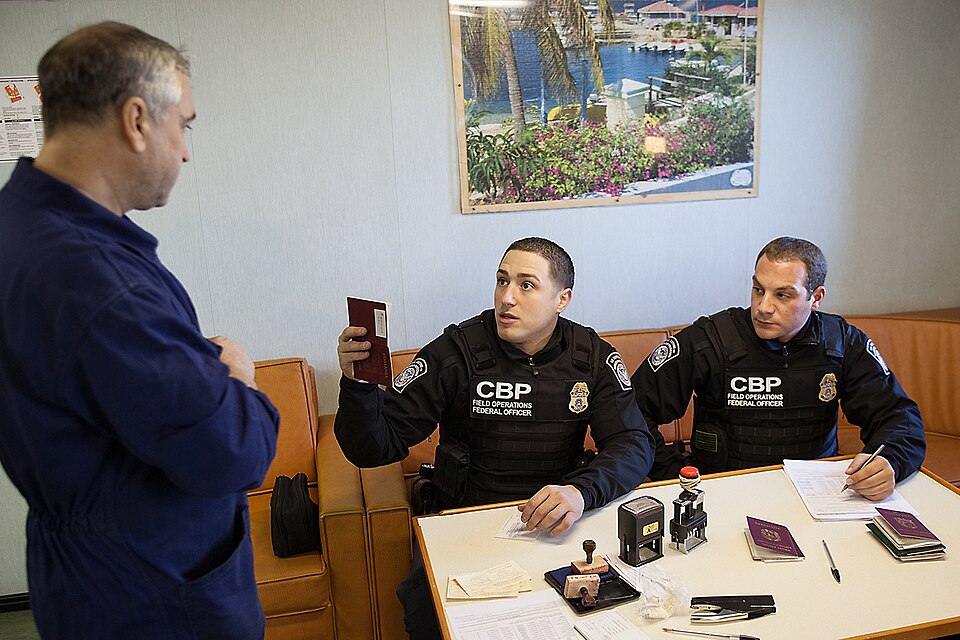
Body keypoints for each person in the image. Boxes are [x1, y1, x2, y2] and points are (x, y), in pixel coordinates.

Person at [0, 22, 280, 639]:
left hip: (84, 567)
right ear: (136, 119)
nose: (185, 150)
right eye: (184, 124)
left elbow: (97, 376)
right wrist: (236, 375)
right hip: (153, 591)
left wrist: (187, 363)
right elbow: (231, 451)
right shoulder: (96, 280)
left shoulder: (19, 227)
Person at [336, 237, 655, 640]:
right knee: (426, 615)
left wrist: (581, 493)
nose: (507, 297)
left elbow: (633, 443)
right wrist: (358, 386)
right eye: (502, 281)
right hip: (467, 522)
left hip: (557, 525)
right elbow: (373, 448)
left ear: (562, 299)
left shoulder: (591, 356)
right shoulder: (455, 352)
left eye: (526, 285)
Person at [634, 237, 925, 500]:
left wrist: (890, 462)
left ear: (817, 297)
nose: (763, 307)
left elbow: (897, 417)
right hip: (723, 491)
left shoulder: (843, 342)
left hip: (814, 495)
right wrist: (675, 475)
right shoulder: (708, 340)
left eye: (782, 295)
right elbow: (633, 414)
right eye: (758, 289)